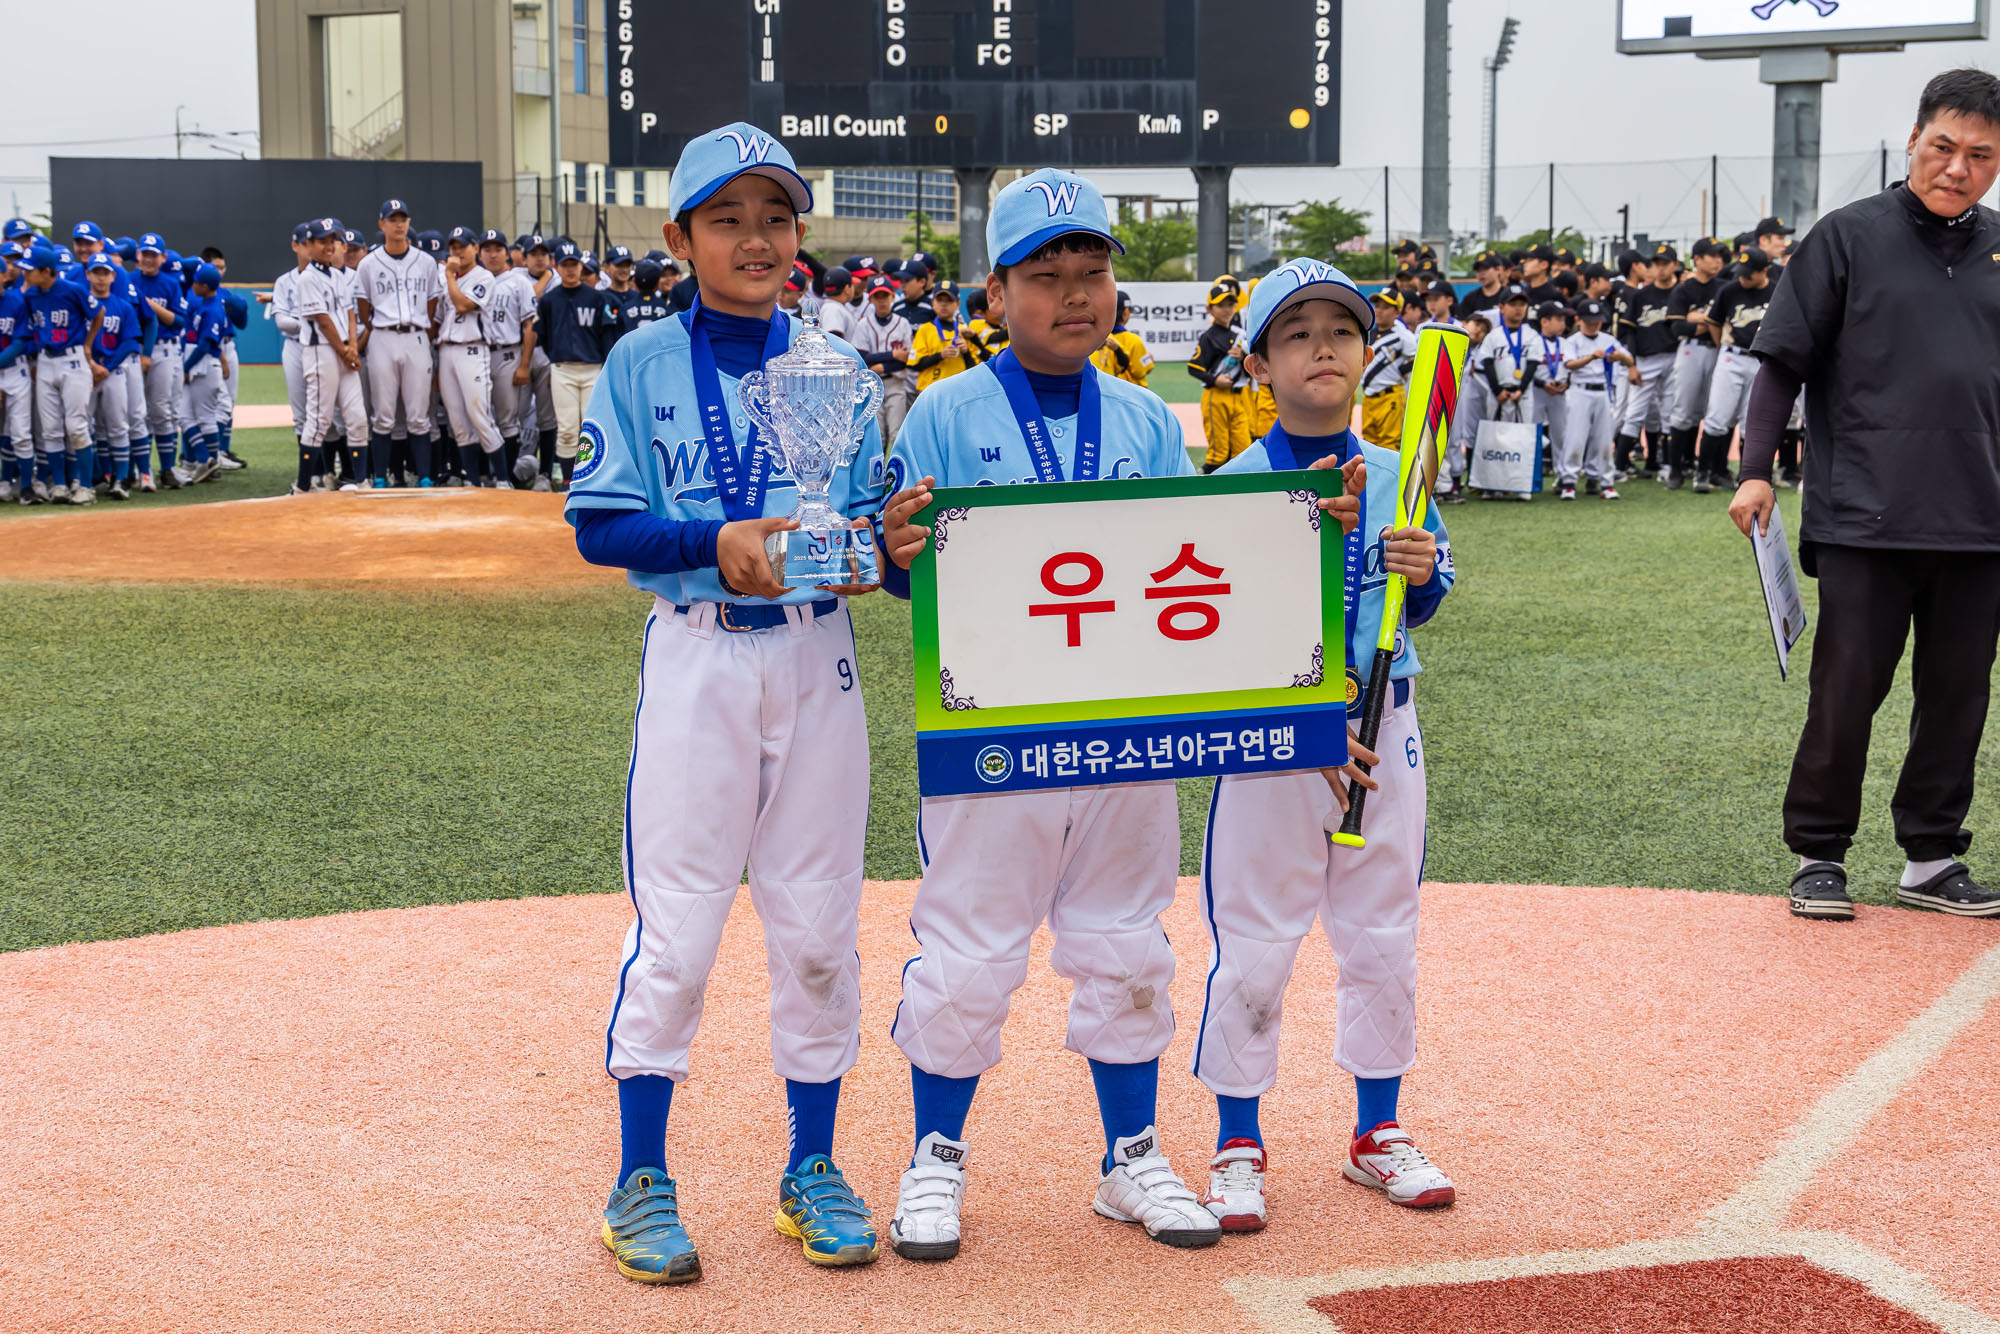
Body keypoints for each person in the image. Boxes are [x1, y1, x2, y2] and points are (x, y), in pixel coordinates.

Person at [875, 168, 1220, 1263]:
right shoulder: (943, 410)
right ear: (994, 296)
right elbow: (903, 570)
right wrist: (896, 552)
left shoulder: (1141, 417)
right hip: (991, 728)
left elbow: (1186, 570)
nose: (1074, 296)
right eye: (1045, 276)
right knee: (968, 950)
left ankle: (1130, 1155)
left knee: (1124, 942)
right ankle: (934, 1152)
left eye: (1092, 274)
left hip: (1124, 727)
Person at [571, 121, 887, 1283]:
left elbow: (867, 531)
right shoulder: (643, 362)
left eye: (775, 216)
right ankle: (638, 1178)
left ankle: (811, 1166)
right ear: (681, 237)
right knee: (682, 924)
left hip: (816, 654)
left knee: (816, 925)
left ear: (800, 233)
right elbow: (600, 524)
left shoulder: (836, 365)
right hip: (700, 654)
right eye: (727, 217)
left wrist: (875, 550)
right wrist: (716, 540)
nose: (755, 238)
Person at [1197, 258, 1454, 1232]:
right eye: (1296, 333)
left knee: (1381, 930)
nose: (1321, 349)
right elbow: (1207, 638)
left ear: (1366, 355)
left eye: (1340, 332)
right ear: (1257, 360)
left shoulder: (1400, 472)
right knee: (1255, 940)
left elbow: (1423, 598)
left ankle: (1375, 1130)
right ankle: (1235, 1139)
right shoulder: (1223, 485)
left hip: (1383, 730)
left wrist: (1417, 566)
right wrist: (1297, 723)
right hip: (1268, 740)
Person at [1730, 68, 2000, 922]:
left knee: (1959, 698)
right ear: (1915, 139)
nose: (1957, 167)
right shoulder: (1847, 237)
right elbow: (1781, 364)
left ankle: (1930, 857)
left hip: (1981, 524)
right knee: (1847, 692)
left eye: (1980, 155)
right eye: (1944, 147)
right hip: (1865, 518)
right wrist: (1755, 469)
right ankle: (1819, 851)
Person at [355, 199, 443, 486]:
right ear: (382, 224)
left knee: (419, 414)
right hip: (382, 336)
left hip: (417, 335)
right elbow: (363, 305)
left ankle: (425, 476)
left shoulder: (426, 261)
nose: (399, 224)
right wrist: (378, 326)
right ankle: (380, 477)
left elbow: (432, 302)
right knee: (384, 414)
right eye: (392, 219)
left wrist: (421, 328)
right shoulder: (368, 263)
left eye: (403, 218)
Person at [290, 218, 372, 495]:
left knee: (357, 417)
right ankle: (303, 486)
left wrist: (352, 346)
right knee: (319, 420)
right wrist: (345, 350)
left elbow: (350, 312)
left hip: (343, 350)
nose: (328, 246)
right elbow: (323, 321)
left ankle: (360, 481)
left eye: (332, 240)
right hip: (321, 352)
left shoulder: (339, 274)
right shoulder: (307, 279)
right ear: (310, 245)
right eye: (322, 241)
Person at [23, 245, 106, 504]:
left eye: (30, 270)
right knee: (50, 429)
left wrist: (88, 345)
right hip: (47, 360)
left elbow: (99, 313)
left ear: (46, 271)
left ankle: (85, 486)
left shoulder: (73, 290)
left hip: (73, 360)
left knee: (77, 426)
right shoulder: (31, 295)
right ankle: (59, 485)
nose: (25, 274)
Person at [536, 238, 620, 491]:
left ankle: (592, 480)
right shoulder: (549, 300)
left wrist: (606, 367)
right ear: (557, 266)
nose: (571, 269)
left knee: (592, 426)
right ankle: (568, 481)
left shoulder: (596, 298)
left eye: (574, 264)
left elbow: (606, 334)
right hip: (563, 369)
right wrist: (556, 360)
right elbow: (544, 336)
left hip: (593, 368)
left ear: (582, 266)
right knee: (568, 429)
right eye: (565, 264)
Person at [1696, 248, 1777, 488]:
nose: (1743, 277)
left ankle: (1747, 479)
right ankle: (1703, 473)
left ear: (1764, 271)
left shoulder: (1777, 290)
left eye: (1749, 274)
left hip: (1762, 361)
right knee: (1717, 418)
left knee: (1750, 422)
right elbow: (1714, 321)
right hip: (1732, 357)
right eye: (1741, 272)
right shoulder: (1730, 290)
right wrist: (1722, 344)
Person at [434, 232, 509, 488]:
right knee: (457, 420)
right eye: (453, 247)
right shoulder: (450, 279)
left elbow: (463, 305)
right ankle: (473, 481)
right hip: (447, 350)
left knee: (480, 415)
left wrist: (448, 276)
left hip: (473, 349)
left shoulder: (483, 276)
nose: (458, 252)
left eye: (463, 247)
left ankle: (503, 479)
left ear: (474, 248)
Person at [1664, 238, 1727, 490]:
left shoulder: (1724, 287)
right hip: (1691, 351)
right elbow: (1678, 327)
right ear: (1697, 259)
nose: (1718, 260)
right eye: (1712, 255)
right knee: (1684, 410)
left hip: (1719, 351)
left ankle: (1714, 468)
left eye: (1720, 256)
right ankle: (1676, 470)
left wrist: (1699, 318)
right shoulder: (1683, 289)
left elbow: (1725, 322)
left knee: (1719, 411)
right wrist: (1710, 321)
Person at [1557, 298, 1632, 501]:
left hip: (1603, 391)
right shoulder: (1573, 341)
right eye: (1589, 321)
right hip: (1580, 390)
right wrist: (1591, 357)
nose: (1593, 324)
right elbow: (1570, 364)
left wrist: (1618, 357)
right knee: (1575, 438)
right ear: (1579, 320)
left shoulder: (1608, 339)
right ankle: (1569, 481)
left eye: (1597, 320)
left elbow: (1629, 359)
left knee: (1604, 439)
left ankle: (1606, 482)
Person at [131, 234, 188, 487]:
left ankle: (167, 469)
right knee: (135, 413)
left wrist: (151, 306)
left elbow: (179, 321)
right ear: (138, 255)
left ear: (163, 258)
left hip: (163, 349)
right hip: (134, 348)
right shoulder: (128, 280)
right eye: (145, 254)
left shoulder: (170, 283)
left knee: (161, 411)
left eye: (154, 255)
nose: (149, 259)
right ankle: (139, 471)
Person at [1616, 248, 1678, 479]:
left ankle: (1667, 466)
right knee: (1634, 412)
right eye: (1656, 263)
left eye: (1665, 263)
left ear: (1674, 265)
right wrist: (1631, 364)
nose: (1660, 268)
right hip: (1645, 359)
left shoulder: (1680, 293)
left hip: (1673, 358)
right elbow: (1629, 331)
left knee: (1669, 414)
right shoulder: (1640, 296)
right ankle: (1620, 466)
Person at [84, 253, 142, 498]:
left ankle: (120, 480)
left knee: (118, 426)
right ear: (88, 274)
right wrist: (91, 365)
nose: (100, 277)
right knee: (84, 426)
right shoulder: (81, 304)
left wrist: (105, 368)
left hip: (113, 371)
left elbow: (130, 343)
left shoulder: (123, 306)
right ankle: (88, 480)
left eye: (105, 273)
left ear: (113, 276)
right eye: (96, 272)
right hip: (85, 370)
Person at [846, 273, 914, 444]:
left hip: (896, 384)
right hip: (870, 386)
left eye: (885, 296)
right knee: (878, 438)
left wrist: (881, 367)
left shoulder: (903, 323)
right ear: (871, 299)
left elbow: (906, 359)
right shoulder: (863, 324)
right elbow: (862, 358)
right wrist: (892, 355)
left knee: (896, 434)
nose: (882, 300)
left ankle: (895, 471)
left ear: (892, 296)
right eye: (877, 296)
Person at [1189, 280, 1251, 471]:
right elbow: (1194, 368)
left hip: (1238, 397)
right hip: (1216, 397)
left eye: (1230, 305)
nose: (1227, 310)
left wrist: (1243, 357)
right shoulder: (1208, 337)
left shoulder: (1239, 334)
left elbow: (1250, 366)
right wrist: (1215, 380)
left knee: (1243, 447)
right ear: (1210, 309)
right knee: (1219, 450)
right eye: (1221, 305)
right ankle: (1211, 478)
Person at [180, 264, 231, 482]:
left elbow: (205, 344)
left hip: (205, 364)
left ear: (205, 286)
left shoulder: (212, 309)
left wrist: (185, 367)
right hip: (206, 364)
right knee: (188, 416)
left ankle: (209, 461)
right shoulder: (208, 305)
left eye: (197, 283)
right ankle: (208, 461)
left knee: (202, 418)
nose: (193, 286)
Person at [1359, 289, 1412, 449]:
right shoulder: (1369, 333)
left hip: (1390, 396)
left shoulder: (1403, 335)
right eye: (1377, 306)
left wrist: (1403, 370)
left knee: (1389, 445)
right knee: (1368, 443)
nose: (1379, 310)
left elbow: (1415, 358)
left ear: (1397, 311)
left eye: (1385, 307)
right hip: (1369, 397)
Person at [0, 247, 31, 503]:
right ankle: (4, 482)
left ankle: (27, 487)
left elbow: (20, 342)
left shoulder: (16, 301)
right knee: (5, 431)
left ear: (4, 276)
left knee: (19, 432)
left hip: (15, 371)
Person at [1529, 300, 1571, 476]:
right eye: (1558, 319)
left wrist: (1567, 382)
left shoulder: (1566, 342)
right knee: (1533, 431)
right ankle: (1531, 472)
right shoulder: (1533, 342)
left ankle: (1562, 473)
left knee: (1561, 434)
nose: (1562, 323)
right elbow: (1527, 370)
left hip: (1559, 392)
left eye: (1563, 319)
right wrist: (1542, 383)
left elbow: (1571, 366)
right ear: (1544, 321)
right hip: (1537, 390)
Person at [909, 280, 973, 394]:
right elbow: (915, 364)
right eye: (939, 300)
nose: (944, 304)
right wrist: (941, 355)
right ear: (933, 303)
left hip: (958, 391)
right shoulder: (925, 330)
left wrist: (966, 352)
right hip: (930, 392)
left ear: (958, 304)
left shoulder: (964, 330)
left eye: (949, 300)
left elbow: (973, 369)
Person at [1089, 289, 1153, 387]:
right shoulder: (1134, 340)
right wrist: (1149, 360)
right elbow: (1140, 372)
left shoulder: (1095, 338)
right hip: (1131, 395)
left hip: (1102, 391)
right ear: (1126, 312)